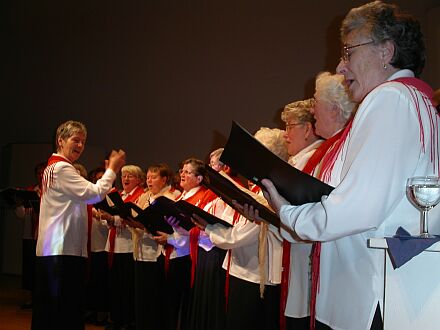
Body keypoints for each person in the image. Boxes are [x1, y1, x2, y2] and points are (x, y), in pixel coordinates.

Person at [255, 2, 439, 329]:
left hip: (368, 293)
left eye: (349, 52)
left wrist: (288, 213)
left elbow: (358, 206)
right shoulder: (420, 103)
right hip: (395, 289)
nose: (341, 67)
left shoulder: (390, 99)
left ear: (385, 51)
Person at [32, 120, 126, 330]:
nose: (80, 146)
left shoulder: (53, 167)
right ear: (60, 140)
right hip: (62, 250)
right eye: (76, 140)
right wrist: (111, 169)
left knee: (52, 312)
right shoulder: (61, 168)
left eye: (83, 142)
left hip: (56, 249)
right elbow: (93, 194)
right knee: (64, 312)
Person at [280, 72, 356, 330]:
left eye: (316, 102)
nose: (312, 110)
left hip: (341, 272)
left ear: (334, 109)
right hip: (320, 264)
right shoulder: (327, 149)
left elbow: (332, 212)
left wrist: (283, 210)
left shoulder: (345, 150)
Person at [194, 127, 289, 330]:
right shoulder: (257, 190)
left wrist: (210, 229)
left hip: (255, 276)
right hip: (245, 270)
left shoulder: (270, 194)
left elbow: (239, 236)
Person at [133, 163, 180, 330]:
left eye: (153, 177)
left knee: (156, 296)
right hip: (141, 250)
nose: (149, 181)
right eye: (147, 178)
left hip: (159, 252)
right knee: (143, 296)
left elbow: (173, 225)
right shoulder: (144, 196)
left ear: (164, 179)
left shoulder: (171, 197)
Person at [101, 164, 146, 330]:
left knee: (127, 286)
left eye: (130, 176)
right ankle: (116, 318)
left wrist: (114, 219)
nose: (125, 179)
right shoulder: (119, 195)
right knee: (115, 285)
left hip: (128, 246)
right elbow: (111, 221)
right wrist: (107, 218)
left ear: (139, 180)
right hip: (115, 244)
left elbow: (135, 221)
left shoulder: (140, 196)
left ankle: (128, 320)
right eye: (124, 175)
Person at [14, 161, 46, 310]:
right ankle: (31, 298)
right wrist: (17, 204)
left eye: (43, 172)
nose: (40, 175)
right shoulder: (30, 190)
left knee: (42, 269)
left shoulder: (50, 191)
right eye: (38, 173)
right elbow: (20, 214)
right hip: (29, 234)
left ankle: (41, 300)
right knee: (29, 267)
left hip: (44, 235)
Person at [85, 166, 110, 326]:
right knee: (92, 282)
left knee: (102, 283)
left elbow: (108, 225)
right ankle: (92, 311)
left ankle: (101, 314)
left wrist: (99, 216)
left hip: (103, 246)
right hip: (90, 246)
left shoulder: (108, 199)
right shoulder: (90, 197)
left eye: (103, 178)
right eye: (97, 179)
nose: (100, 181)